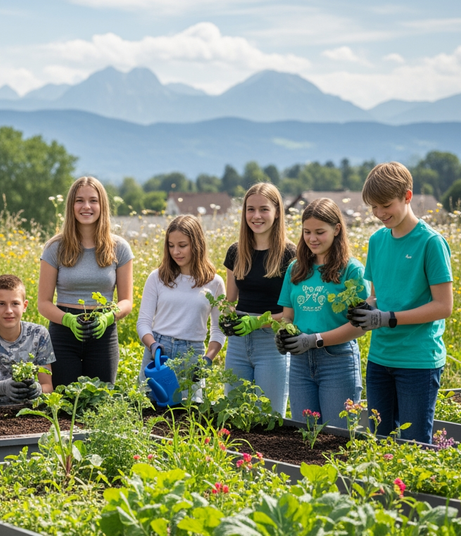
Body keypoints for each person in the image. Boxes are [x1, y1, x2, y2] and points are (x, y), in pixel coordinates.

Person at [351, 162, 453, 444]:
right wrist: (366, 309)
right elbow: (376, 296)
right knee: (379, 441)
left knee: (414, 443)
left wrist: (388, 317)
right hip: (380, 358)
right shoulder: (377, 240)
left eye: (386, 205)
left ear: (407, 197)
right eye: (373, 207)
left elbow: (443, 306)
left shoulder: (431, 242)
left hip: (418, 361)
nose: (380, 214)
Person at [277, 198, 367, 428]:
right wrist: (284, 335)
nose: (312, 238)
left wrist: (314, 340)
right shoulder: (295, 268)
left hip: (337, 361)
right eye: (307, 232)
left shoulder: (352, 270)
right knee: (305, 437)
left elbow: (359, 327)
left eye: (319, 232)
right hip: (299, 363)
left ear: (337, 229)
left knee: (337, 438)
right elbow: (288, 316)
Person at [38, 176, 133, 387]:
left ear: (103, 205)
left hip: (103, 334)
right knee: (64, 404)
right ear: (71, 205)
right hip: (63, 335)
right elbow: (43, 303)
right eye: (79, 200)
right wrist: (68, 320)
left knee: (99, 403)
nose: (86, 206)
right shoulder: (55, 248)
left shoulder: (120, 248)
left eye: (93, 200)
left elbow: (127, 301)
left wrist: (109, 317)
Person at [223, 182, 295, 415]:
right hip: (238, 343)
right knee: (234, 413)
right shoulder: (236, 251)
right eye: (250, 209)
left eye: (264, 209)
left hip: (272, 342)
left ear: (277, 212)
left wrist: (256, 322)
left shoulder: (290, 255)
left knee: (270, 416)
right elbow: (230, 300)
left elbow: (291, 315)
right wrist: (226, 318)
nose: (256, 216)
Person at [137, 215, 225, 398]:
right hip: (158, 354)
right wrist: (152, 345)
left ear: (197, 244)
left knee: (187, 419)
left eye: (182, 245)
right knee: (148, 415)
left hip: (192, 356)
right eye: (171, 245)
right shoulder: (157, 277)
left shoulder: (214, 283)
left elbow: (219, 329)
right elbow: (143, 322)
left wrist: (208, 359)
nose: (176, 251)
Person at [0, 275, 55, 408]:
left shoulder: (39, 334)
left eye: (15, 303)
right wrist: (2, 388)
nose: (9, 311)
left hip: (25, 410)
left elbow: (48, 386)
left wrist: (38, 389)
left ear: (25, 306)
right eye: (1, 304)